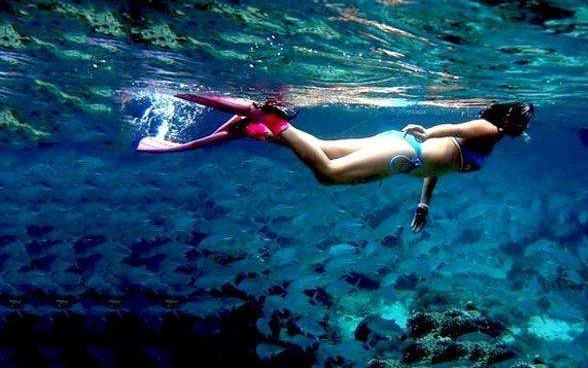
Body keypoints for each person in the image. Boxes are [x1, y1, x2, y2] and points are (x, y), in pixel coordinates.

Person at [138, 95, 534, 232]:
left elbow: (441, 165)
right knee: (328, 175)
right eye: (522, 119)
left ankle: (256, 129)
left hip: (402, 149)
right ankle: (267, 117)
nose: (524, 126)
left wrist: (423, 203)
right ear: (509, 119)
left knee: (320, 148)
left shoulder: (490, 138)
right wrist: (428, 132)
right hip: (405, 154)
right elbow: (454, 130)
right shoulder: (490, 130)